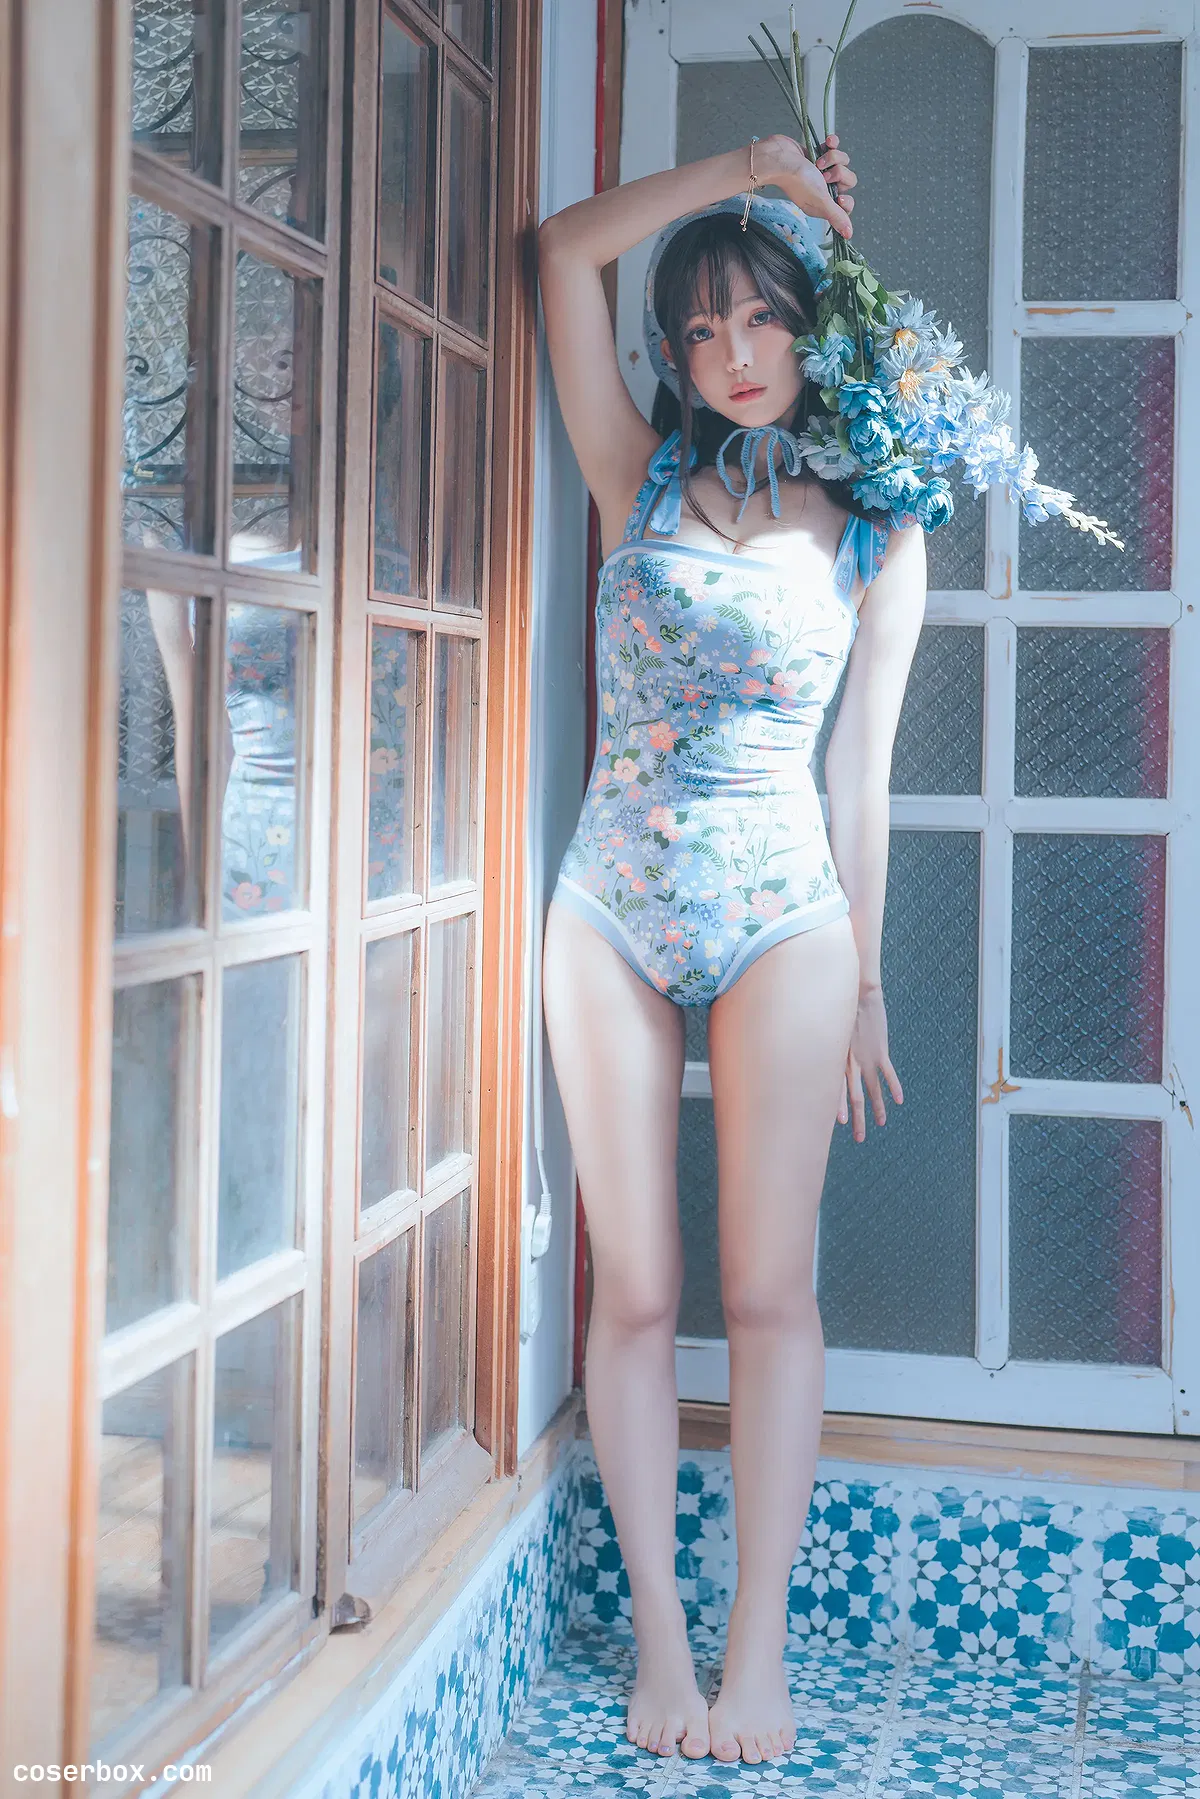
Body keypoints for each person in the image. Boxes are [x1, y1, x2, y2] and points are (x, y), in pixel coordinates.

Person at [537, 132, 926, 1767]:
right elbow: (561, 253)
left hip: (786, 910)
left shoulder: (880, 525)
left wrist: (871, 982)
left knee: (769, 1292)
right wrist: (743, 168)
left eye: (760, 318)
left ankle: (756, 1645)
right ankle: (660, 1633)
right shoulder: (631, 465)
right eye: (700, 330)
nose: (732, 355)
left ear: (810, 328)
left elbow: (863, 779)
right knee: (638, 1290)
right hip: (614, 900)